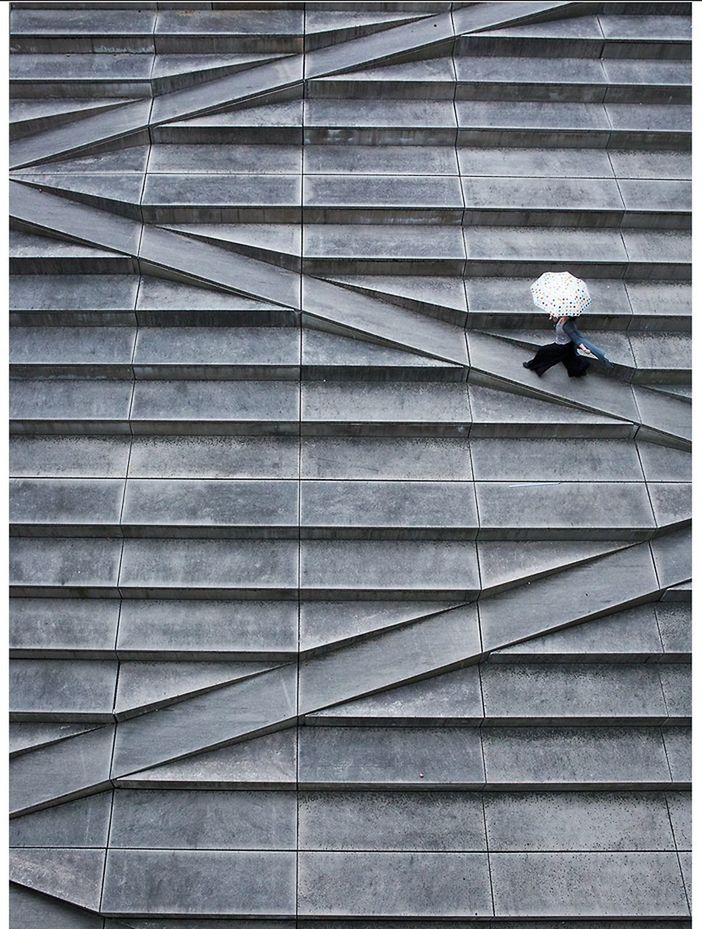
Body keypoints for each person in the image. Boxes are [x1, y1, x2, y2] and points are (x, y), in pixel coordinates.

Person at [522, 314, 613, 378]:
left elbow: (576, 339)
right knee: (569, 360)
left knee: (543, 351)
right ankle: (580, 368)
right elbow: (556, 322)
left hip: (563, 347)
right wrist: (553, 318)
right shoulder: (562, 318)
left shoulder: (569, 326)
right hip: (564, 345)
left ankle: (532, 365)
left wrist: (585, 349)